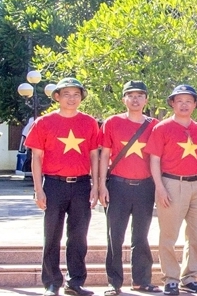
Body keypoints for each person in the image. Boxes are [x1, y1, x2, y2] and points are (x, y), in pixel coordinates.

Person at [25, 78, 100, 296]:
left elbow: (94, 155)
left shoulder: (88, 123)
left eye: (76, 94)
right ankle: (51, 283)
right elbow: (36, 158)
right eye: (66, 93)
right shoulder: (44, 122)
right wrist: (38, 189)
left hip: (81, 185)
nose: (71, 98)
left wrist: (95, 185)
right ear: (57, 96)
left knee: (78, 236)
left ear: (81, 97)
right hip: (54, 185)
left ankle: (75, 282)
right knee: (52, 235)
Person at [97, 81, 160, 295]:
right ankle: (114, 283)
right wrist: (100, 186)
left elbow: (158, 158)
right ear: (124, 99)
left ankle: (141, 280)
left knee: (141, 236)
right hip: (117, 185)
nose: (135, 99)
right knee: (115, 236)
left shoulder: (154, 125)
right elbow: (104, 155)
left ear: (146, 99)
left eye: (140, 95)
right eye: (130, 95)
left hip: (145, 187)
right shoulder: (112, 122)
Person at [144, 85, 197, 295]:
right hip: (172, 183)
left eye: (188, 100)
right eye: (179, 100)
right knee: (169, 235)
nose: (184, 104)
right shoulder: (161, 128)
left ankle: (189, 277)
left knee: (195, 235)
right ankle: (171, 278)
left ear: (195, 104)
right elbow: (154, 160)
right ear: (172, 103)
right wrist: (160, 188)